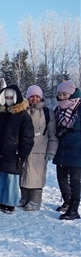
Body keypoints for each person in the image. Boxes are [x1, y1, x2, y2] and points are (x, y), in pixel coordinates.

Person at [0, 84, 34, 214]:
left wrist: (23, 153)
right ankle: (1, 201)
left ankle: (10, 203)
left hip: (14, 152)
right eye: (6, 96)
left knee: (11, 178)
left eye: (10, 97)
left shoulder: (23, 115)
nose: (8, 99)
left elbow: (28, 136)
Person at [19, 85, 57, 211]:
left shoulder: (47, 113)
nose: (34, 99)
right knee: (23, 174)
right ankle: (24, 198)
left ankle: (35, 201)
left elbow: (52, 134)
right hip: (24, 148)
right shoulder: (22, 110)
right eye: (32, 96)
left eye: (37, 96)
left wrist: (51, 151)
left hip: (40, 149)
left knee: (36, 176)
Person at [53, 80, 81, 220]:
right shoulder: (58, 109)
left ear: (71, 93)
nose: (62, 97)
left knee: (75, 180)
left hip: (76, 149)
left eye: (64, 94)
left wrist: (68, 134)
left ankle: (74, 209)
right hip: (62, 148)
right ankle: (67, 201)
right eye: (59, 94)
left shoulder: (79, 106)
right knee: (61, 177)